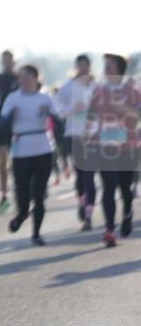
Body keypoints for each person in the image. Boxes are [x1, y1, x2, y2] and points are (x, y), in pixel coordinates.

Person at [0, 65, 56, 246]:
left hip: (43, 149)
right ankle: (22, 214)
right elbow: (1, 123)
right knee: (23, 192)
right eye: (20, 77)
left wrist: (50, 113)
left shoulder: (45, 98)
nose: (22, 80)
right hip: (21, 151)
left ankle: (36, 233)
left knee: (39, 194)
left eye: (26, 76)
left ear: (35, 78)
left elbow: (59, 119)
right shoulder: (12, 98)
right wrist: (10, 117)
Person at [88, 53, 140, 247]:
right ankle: (109, 229)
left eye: (109, 65)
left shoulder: (132, 90)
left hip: (128, 146)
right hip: (105, 147)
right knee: (108, 187)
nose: (105, 69)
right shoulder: (99, 90)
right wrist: (90, 134)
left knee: (125, 188)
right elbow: (91, 116)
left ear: (119, 69)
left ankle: (127, 213)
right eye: (105, 65)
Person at [56, 54, 98, 230]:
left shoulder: (96, 86)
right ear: (76, 67)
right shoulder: (68, 86)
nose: (83, 68)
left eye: (86, 65)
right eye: (80, 65)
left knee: (89, 175)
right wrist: (72, 108)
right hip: (73, 135)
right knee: (80, 175)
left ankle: (88, 215)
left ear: (90, 66)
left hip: (92, 136)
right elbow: (58, 111)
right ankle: (82, 200)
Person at [0, 50, 19, 214]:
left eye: (9, 60)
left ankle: (21, 190)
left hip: (19, 125)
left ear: (13, 61)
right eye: (5, 60)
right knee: (2, 160)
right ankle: (4, 194)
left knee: (18, 161)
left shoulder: (20, 78)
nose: (7, 62)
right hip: (1, 125)